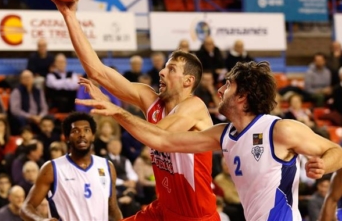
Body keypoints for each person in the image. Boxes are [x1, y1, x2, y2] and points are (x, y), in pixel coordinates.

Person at [76, 61, 342, 221]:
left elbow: (336, 151)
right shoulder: (224, 134)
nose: (219, 90)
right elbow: (163, 140)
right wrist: (119, 111)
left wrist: (324, 166)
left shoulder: (279, 130)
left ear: (243, 96)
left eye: (227, 85)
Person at [48, 0, 219, 221]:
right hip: (163, 209)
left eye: (171, 69)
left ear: (188, 81)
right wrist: (69, 15)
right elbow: (98, 72)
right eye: (164, 67)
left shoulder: (195, 106)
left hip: (195, 216)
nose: (161, 71)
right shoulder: (150, 98)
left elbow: (159, 136)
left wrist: (117, 110)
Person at [20, 112, 122, 221]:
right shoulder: (52, 168)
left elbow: (113, 209)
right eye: (75, 131)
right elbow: (26, 207)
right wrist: (41, 220)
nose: (82, 134)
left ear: (92, 136)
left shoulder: (107, 166)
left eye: (86, 130)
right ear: (67, 137)